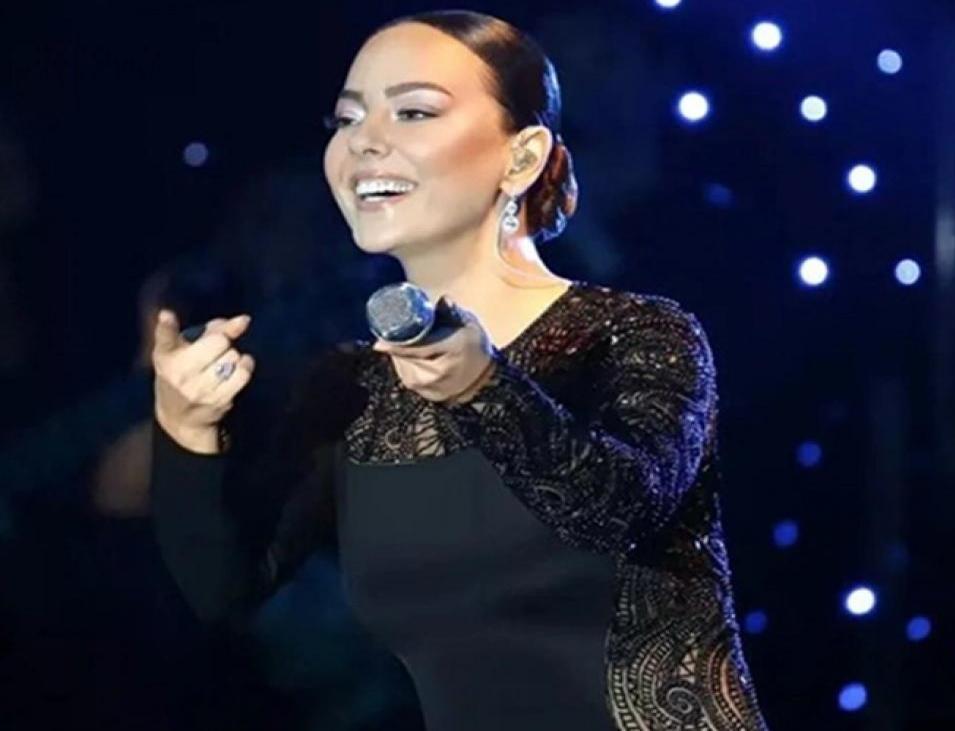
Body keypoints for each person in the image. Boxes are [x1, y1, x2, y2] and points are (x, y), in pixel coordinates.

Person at [150, 10, 770, 731]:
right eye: (346, 119)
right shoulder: (351, 389)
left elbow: (617, 511)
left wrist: (486, 389)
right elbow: (226, 588)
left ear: (522, 157)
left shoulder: (637, 335)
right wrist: (185, 428)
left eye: (413, 111)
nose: (364, 141)